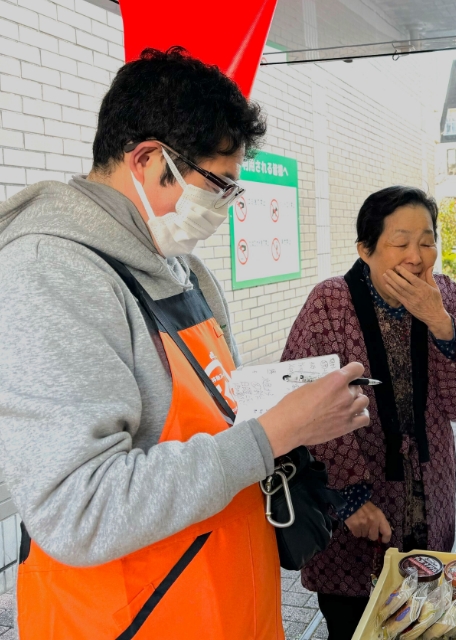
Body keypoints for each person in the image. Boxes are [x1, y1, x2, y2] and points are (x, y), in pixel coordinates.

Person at [0, 47, 370, 639]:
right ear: (149, 161)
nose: (225, 206)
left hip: (226, 602)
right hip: (131, 618)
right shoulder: (50, 271)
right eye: (218, 184)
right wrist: (273, 434)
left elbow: (224, 411)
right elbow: (78, 508)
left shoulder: (185, 269)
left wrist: (298, 405)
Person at [283, 186, 456, 639]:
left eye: (426, 241)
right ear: (365, 249)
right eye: (400, 243)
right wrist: (350, 499)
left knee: (426, 616)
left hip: (429, 488)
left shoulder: (447, 298)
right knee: (356, 622)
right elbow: (302, 403)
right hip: (356, 513)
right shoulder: (331, 303)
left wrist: (440, 322)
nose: (417, 257)